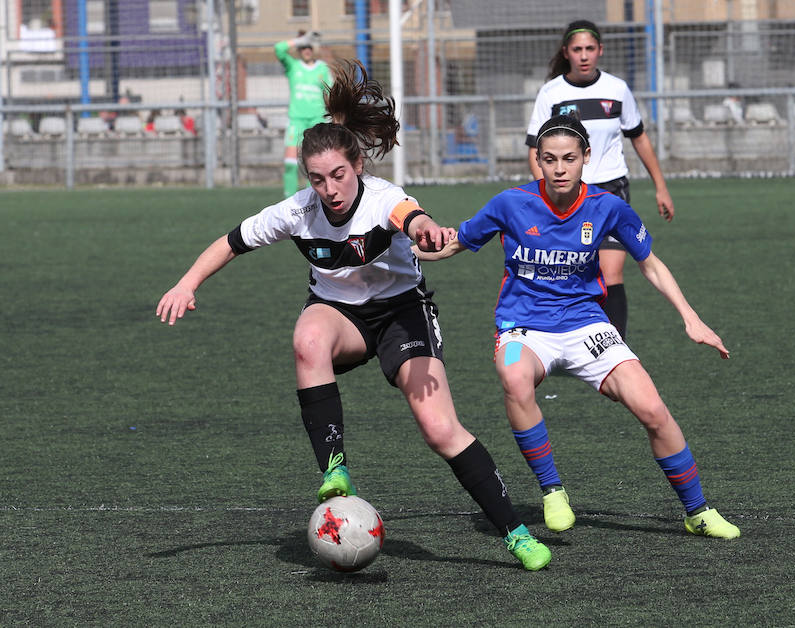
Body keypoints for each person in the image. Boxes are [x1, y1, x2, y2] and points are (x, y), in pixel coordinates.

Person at [155, 60, 551, 571]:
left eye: (338, 175)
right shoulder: (297, 211)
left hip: (402, 314)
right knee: (307, 337)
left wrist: (426, 230)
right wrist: (187, 283)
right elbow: (231, 242)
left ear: (357, 166)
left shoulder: (382, 198)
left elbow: (412, 216)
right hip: (340, 314)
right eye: (318, 179)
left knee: (439, 429)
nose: (330, 188)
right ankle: (335, 469)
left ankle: (514, 533)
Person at [417, 115, 740, 539]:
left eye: (569, 158)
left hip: (586, 324)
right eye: (549, 159)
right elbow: (455, 243)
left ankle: (697, 511)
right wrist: (401, 251)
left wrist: (691, 318)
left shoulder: (608, 206)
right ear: (538, 161)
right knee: (514, 376)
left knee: (653, 410)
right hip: (524, 327)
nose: (559, 168)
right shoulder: (510, 203)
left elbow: (650, 264)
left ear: (586, 157)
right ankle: (552, 490)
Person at [526, 19, 674, 340]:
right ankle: (567, 336)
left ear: (600, 51)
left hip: (611, 192)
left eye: (589, 49)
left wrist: (661, 187)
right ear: (566, 52)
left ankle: (614, 346)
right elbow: (535, 150)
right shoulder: (551, 93)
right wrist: (545, 194)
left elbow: (639, 137)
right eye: (577, 49)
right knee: (571, 272)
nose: (583, 56)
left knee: (611, 273)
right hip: (567, 194)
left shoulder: (617, 89)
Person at [275, 30, 333, 198]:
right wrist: (299, 39)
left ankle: (313, 200)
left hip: (317, 121)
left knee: (314, 165)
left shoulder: (322, 68)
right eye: (303, 47)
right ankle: (289, 202)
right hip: (296, 121)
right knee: (291, 164)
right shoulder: (293, 66)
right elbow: (278, 49)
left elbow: (332, 93)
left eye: (309, 46)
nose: (306, 50)